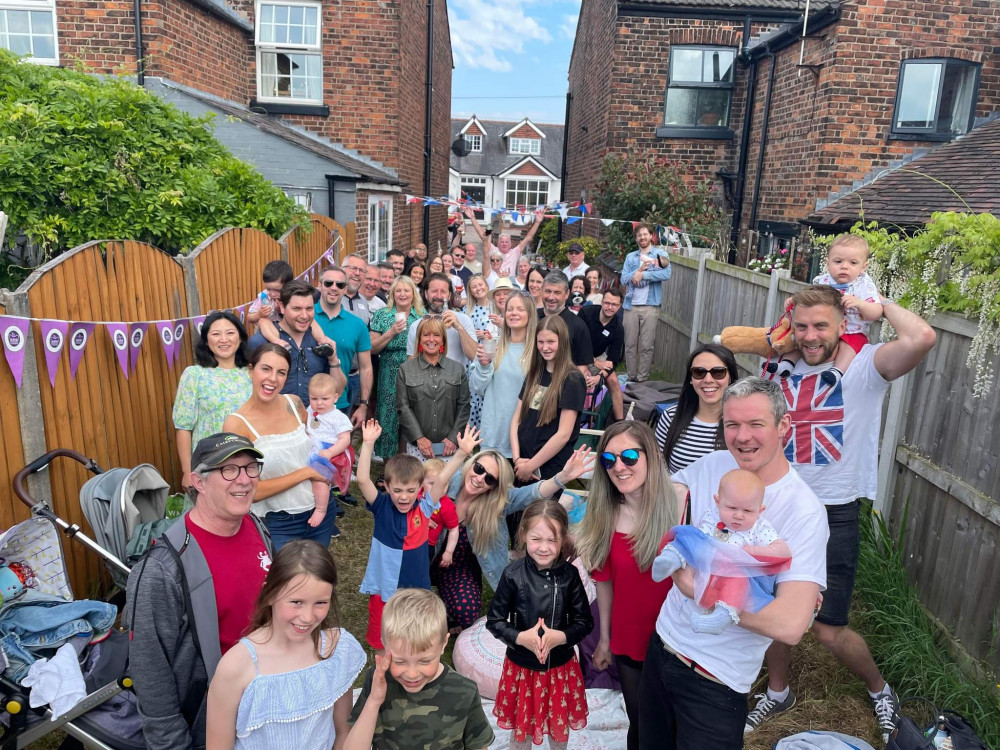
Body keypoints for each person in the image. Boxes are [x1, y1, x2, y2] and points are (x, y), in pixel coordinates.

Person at [750, 284, 936, 742]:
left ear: (841, 326)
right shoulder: (779, 368)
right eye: (802, 327)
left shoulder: (864, 368)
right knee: (774, 609)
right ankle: (778, 692)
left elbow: (922, 338)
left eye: (821, 326)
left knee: (829, 629)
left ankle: (879, 689)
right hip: (780, 506)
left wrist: (880, 307)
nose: (811, 337)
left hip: (835, 512)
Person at [640, 377, 829, 749]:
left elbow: (790, 626)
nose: (742, 437)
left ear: (783, 426)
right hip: (662, 647)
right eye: (732, 425)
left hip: (715, 680)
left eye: (756, 424)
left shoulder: (804, 511)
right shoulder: (715, 465)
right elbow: (670, 492)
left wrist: (699, 590)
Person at [126, 433, 272, 750]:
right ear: (198, 481)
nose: (245, 480)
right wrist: (171, 743)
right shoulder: (163, 568)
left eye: (250, 467)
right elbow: (150, 668)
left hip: (265, 702)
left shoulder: (256, 526)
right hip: (208, 722)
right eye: (229, 470)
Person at [574, 421, 677, 750]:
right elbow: (604, 584)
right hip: (628, 636)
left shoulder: (681, 502)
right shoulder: (605, 514)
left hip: (676, 638)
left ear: (652, 456)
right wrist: (604, 640)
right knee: (640, 723)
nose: (619, 467)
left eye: (630, 456)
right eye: (609, 460)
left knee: (671, 723)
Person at [205, 540, 365, 750]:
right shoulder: (235, 667)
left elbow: (344, 731)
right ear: (270, 594)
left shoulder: (337, 650)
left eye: (320, 603)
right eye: (296, 602)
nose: (307, 617)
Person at [437, 446, 594, 631]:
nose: (480, 478)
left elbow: (532, 493)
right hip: (426, 557)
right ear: (471, 464)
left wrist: (563, 477)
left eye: (489, 479)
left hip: (460, 566)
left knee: (466, 612)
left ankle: (447, 610)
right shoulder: (446, 482)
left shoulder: (495, 503)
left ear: (494, 486)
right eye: (479, 469)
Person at [354, 421, 478, 650]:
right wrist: (369, 443)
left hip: (416, 587)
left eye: (410, 490)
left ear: (420, 487)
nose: (403, 497)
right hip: (385, 587)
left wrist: (461, 453)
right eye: (397, 490)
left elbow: (441, 480)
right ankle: (384, 664)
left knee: (415, 630)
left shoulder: (425, 506)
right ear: (387, 487)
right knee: (382, 634)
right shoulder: (381, 507)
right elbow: (362, 479)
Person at [487, 500, 593, 750]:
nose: (544, 548)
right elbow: (495, 621)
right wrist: (520, 637)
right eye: (536, 539)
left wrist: (562, 637)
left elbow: (585, 622)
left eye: (552, 540)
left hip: (560, 668)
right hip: (521, 668)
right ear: (523, 534)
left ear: (563, 538)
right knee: (521, 730)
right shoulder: (512, 574)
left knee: (558, 728)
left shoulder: (570, 575)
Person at [346, 589, 495, 750]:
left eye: (424, 661)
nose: (412, 674)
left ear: (443, 644)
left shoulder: (464, 691)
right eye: (400, 661)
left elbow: (479, 746)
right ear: (385, 644)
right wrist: (374, 701)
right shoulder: (377, 680)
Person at [652, 469, 792, 634]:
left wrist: (752, 551)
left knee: (739, 584)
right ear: (717, 501)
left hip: (730, 569)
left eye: (748, 511)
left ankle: (721, 617)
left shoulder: (760, 527)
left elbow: (783, 551)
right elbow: (699, 535)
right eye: (732, 507)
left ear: (760, 511)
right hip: (702, 557)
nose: (738, 515)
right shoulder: (713, 514)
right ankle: (670, 559)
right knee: (688, 536)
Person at [223, 344, 335, 549]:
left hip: (322, 511)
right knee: (285, 581)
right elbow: (249, 491)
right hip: (280, 524)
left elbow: (311, 446)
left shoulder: (294, 404)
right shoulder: (237, 424)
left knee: (318, 577)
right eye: (266, 369)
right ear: (251, 371)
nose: (273, 379)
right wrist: (306, 473)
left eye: (281, 372)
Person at [770, 235, 884, 386]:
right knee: (800, 339)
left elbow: (876, 312)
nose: (844, 266)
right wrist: (795, 300)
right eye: (838, 261)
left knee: (848, 347)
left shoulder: (864, 286)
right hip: (825, 329)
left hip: (852, 330)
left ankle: (837, 371)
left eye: (853, 262)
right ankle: (786, 364)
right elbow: (809, 299)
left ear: (863, 267)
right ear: (828, 263)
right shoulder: (823, 280)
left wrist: (860, 304)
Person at [173, 311, 253, 490]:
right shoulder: (194, 374)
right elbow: (183, 428)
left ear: (240, 338)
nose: (223, 339)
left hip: (246, 463)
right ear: (207, 341)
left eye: (230, 333)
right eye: (216, 334)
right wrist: (187, 472)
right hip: (208, 464)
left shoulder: (251, 375)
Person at [510, 315, 586, 484]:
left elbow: (563, 435)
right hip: (522, 460)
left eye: (551, 342)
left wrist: (531, 466)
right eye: (540, 342)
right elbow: (517, 419)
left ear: (563, 342)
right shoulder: (534, 374)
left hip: (548, 467)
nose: (545, 347)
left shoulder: (572, 379)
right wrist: (517, 460)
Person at [469, 290, 537, 459]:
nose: (514, 313)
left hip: (524, 436)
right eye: (510, 309)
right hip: (494, 435)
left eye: (520, 309)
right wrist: (484, 366)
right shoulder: (492, 346)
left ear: (530, 313)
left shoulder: (538, 351)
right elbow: (477, 388)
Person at [247, 280, 336, 407]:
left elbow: (336, 388)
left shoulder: (320, 342)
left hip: (313, 421)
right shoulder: (260, 342)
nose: (304, 315)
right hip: (273, 422)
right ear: (282, 307)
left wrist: (334, 360)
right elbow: (247, 388)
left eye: (309, 308)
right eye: (297, 309)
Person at [655, 343, 739, 473]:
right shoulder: (670, 417)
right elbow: (657, 469)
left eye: (718, 372)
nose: (708, 379)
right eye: (699, 372)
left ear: (730, 377)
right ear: (690, 378)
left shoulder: (743, 423)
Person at [397, 318, 471, 460]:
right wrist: (419, 438)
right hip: (418, 448)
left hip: (450, 448)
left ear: (443, 340)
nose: (431, 340)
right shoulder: (406, 369)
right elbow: (403, 407)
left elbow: (464, 406)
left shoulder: (457, 369)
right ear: (419, 339)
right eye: (426, 335)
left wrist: (453, 438)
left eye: (436, 335)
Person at [369, 276, 424, 459]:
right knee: (388, 418)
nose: (402, 294)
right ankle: (389, 466)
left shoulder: (421, 315)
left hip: (415, 371)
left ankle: (407, 462)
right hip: (389, 371)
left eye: (406, 290)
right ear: (392, 293)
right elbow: (373, 348)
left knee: (410, 417)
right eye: (398, 290)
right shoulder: (382, 315)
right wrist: (391, 332)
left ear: (413, 293)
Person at [314, 265, 373, 428]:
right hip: (307, 401)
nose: (334, 288)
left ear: (345, 289)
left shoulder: (357, 325)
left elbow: (366, 368)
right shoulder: (305, 317)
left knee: (337, 451)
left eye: (339, 285)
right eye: (328, 283)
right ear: (319, 285)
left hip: (340, 403)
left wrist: (363, 406)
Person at [620, 224, 672, 383]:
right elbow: (623, 279)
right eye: (639, 235)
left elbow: (666, 273)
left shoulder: (660, 255)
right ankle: (631, 376)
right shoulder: (631, 257)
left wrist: (644, 275)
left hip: (650, 306)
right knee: (629, 344)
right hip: (631, 306)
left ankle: (642, 379)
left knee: (647, 346)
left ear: (651, 236)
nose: (642, 237)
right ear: (636, 238)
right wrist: (638, 272)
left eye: (645, 234)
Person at [304, 373, 352, 528]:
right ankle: (306, 503)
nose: (319, 403)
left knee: (319, 479)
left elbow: (345, 439)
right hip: (311, 447)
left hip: (330, 451)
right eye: (314, 398)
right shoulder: (310, 410)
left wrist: (330, 452)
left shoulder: (338, 417)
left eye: (325, 399)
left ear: (336, 397)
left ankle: (321, 508)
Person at [537, 271, 597, 388]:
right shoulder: (531, 318)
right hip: (531, 384)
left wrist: (569, 388)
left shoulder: (578, 325)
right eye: (548, 291)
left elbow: (582, 365)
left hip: (562, 388)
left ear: (567, 294)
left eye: (557, 293)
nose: (551, 297)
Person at [405, 274, 478, 366]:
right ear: (426, 294)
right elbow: (412, 361)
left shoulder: (463, 320)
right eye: (434, 291)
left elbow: (474, 356)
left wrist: (459, 328)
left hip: (456, 379)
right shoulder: (416, 325)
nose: (439, 296)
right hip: (426, 379)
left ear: (449, 295)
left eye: (443, 291)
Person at [578, 289, 626, 421]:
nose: (610, 307)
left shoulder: (618, 328)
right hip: (576, 355)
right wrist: (595, 363)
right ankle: (576, 417)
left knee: (613, 380)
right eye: (607, 303)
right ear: (602, 302)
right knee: (581, 376)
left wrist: (600, 376)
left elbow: (614, 360)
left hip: (597, 357)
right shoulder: (586, 313)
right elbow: (575, 343)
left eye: (614, 305)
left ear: (620, 306)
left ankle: (619, 422)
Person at [462, 205, 544, 279]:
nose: (504, 244)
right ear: (498, 244)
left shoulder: (515, 252)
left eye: (506, 242)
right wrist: (472, 218)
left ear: (510, 244)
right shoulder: (493, 250)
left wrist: (537, 222)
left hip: (510, 284)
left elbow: (528, 237)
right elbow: (482, 236)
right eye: (502, 242)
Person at [464, 274, 494, 428]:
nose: (478, 289)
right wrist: (473, 333)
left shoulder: (495, 307)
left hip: (491, 356)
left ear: (487, 286)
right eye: (474, 287)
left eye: (480, 285)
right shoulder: (467, 310)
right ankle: (473, 429)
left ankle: (487, 428)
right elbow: (462, 333)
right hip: (473, 357)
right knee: (474, 394)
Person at [421, 458, 460, 568]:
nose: (438, 488)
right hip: (406, 537)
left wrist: (448, 552)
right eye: (432, 483)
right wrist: (421, 519)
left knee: (419, 572)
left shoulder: (447, 506)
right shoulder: (415, 495)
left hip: (426, 545)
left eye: (444, 484)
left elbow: (453, 529)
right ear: (421, 482)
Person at [246, 259, 293, 329]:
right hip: (268, 332)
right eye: (268, 289)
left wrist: (282, 311)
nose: (272, 294)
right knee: (263, 321)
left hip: (288, 331)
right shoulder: (264, 297)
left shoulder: (293, 296)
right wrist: (259, 314)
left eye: (277, 290)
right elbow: (249, 317)